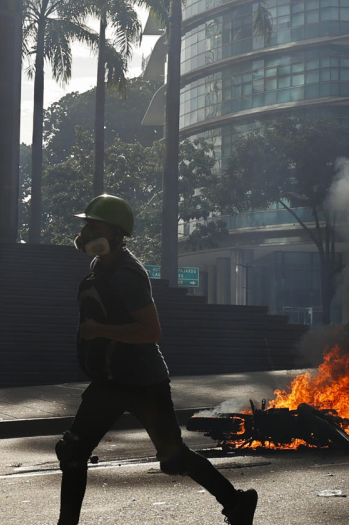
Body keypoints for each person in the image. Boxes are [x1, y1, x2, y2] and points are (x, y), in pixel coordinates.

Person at [56, 195, 258, 525]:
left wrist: (99, 331)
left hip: (144, 383)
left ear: (116, 233)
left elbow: (151, 331)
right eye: (87, 224)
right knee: (73, 453)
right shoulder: (101, 268)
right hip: (110, 382)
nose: (87, 230)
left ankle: (236, 502)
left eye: (94, 224)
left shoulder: (128, 276)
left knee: (173, 457)